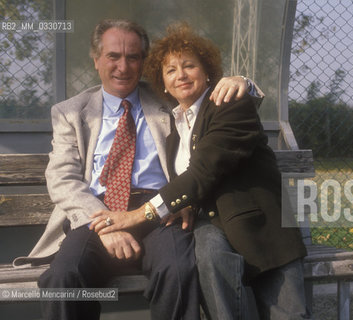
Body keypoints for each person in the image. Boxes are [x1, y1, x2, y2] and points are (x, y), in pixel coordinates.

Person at [13, 19, 259, 320]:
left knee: (179, 271)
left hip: (159, 212)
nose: (123, 66)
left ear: (142, 62)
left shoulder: (167, 97)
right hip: (95, 213)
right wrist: (104, 225)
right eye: (113, 56)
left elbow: (212, 106)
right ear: (96, 60)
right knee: (63, 278)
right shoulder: (70, 112)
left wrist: (244, 83)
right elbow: (62, 178)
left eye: (132, 57)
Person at [91, 22, 310, 320]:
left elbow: (204, 170)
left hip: (260, 233)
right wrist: (182, 204)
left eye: (189, 66)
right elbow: (187, 184)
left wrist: (136, 215)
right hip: (210, 231)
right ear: (163, 85)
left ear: (207, 72)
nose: (180, 75)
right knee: (206, 256)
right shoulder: (172, 130)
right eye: (170, 71)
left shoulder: (229, 103)